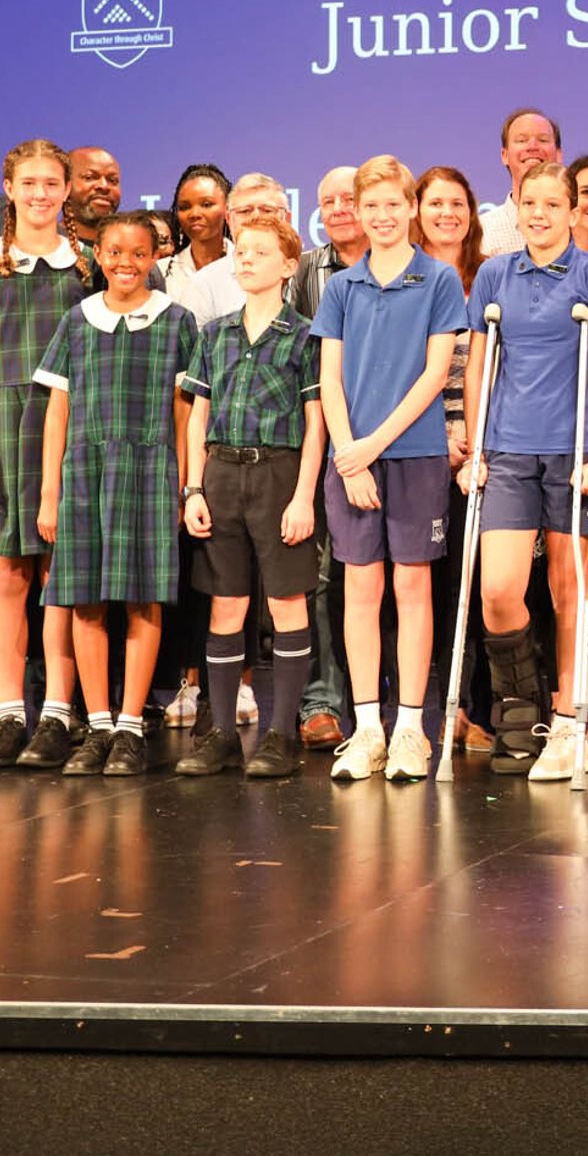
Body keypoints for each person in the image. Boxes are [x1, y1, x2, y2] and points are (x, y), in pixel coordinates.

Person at [463, 162, 588, 782]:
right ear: (516, 205)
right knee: (498, 591)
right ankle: (523, 703)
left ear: (572, 211)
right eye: (529, 203)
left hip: (573, 455)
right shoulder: (494, 274)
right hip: (508, 452)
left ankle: (569, 722)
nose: (539, 214)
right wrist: (476, 448)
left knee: (571, 592)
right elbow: (479, 365)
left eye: (551, 204)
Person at [0, 138, 94, 769]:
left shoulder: (87, 264)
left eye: (51, 183)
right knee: (6, 572)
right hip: (3, 430)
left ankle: (57, 712)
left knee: (63, 574)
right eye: (28, 183)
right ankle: (9, 715)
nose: (40, 194)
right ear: (8, 188)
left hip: (73, 430)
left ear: (67, 189)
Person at [34, 211, 201, 777]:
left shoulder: (176, 322)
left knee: (142, 599)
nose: (126, 263)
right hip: (85, 472)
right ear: (99, 257)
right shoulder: (77, 321)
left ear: (154, 258)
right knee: (85, 600)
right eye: (115, 252)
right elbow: (58, 411)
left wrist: (182, 482)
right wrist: (50, 492)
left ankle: (130, 726)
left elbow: (184, 410)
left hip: (150, 471)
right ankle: (99, 724)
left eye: (138, 253)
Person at [315, 154, 464, 784]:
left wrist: (371, 446)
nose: (380, 216)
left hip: (413, 456)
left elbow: (435, 374)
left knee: (412, 588)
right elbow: (329, 378)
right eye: (369, 206)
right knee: (359, 589)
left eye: (391, 205)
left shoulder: (438, 280)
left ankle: (410, 728)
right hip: (351, 461)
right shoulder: (341, 287)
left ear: (411, 209)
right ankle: (367, 728)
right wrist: (349, 455)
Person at [177, 216, 326, 780]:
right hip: (222, 473)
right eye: (241, 251)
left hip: (278, 473)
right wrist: (194, 487)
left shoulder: (305, 335)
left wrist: (304, 496)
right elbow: (198, 415)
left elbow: (316, 422)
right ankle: (220, 734)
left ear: (288, 266)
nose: (245, 260)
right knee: (226, 603)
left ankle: (281, 733)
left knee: (286, 602)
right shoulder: (215, 334)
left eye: (260, 253)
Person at [413, 164, 499, 756]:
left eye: (458, 204)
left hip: (486, 452)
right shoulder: (407, 279)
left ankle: (482, 708)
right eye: (436, 203)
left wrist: (480, 440)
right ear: (417, 212)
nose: (447, 214)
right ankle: (445, 709)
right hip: (422, 450)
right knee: (437, 592)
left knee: (485, 585)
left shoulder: (491, 277)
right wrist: (438, 438)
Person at [283, 165, 366, 749]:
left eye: (348, 198)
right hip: (322, 436)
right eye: (327, 200)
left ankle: (382, 706)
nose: (338, 209)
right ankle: (321, 703)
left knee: (380, 577)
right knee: (320, 574)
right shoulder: (307, 271)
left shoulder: (400, 265)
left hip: (391, 435)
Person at [176, 174, 291, 326]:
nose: (256, 217)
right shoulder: (203, 285)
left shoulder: (305, 274)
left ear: (287, 218)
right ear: (229, 219)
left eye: (267, 210)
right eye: (245, 211)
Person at [475, 108, 564, 259]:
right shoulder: (481, 232)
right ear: (504, 155)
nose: (533, 147)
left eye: (543, 140)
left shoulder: (576, 225)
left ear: (559, 154)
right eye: (522, 140)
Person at [158, 163, 232, 313]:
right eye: (184, 207)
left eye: (206, 204)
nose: (194, 214)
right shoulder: (160, 272)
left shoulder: (248, 267)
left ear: (227, 208)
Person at [62, 148, 125, 257]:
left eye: (112, 180)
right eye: (89, 177)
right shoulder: (46, 247)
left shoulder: (134, 250)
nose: (104, 186)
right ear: (65, 185)